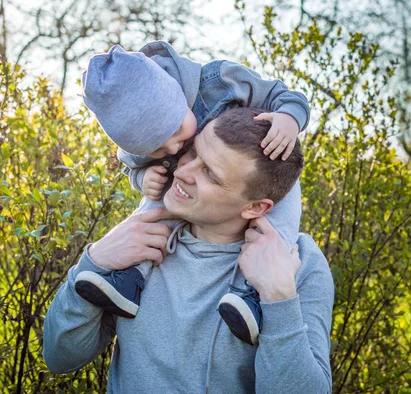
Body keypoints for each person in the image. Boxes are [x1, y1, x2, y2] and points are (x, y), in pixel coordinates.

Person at [43, 108, 334, 393]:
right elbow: (60, 358)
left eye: (210, 174)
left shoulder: (298, 264)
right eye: (193, 152)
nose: (182, 171)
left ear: (255, 207)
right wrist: (93, 263)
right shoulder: (140, 237)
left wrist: (279, 298)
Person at [74, 42, 310, 345]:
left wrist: (290, 118)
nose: (171, 149)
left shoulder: (220, 81)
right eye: (155, 149)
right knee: (150, 212)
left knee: (280, 217)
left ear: (177, 99)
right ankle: (129, 279)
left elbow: (283, 94)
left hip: (260, 171)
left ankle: (251, 293)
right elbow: (133, 168)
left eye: (173, 135)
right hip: (182, 189)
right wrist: (144, 176)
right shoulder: (143, 139)